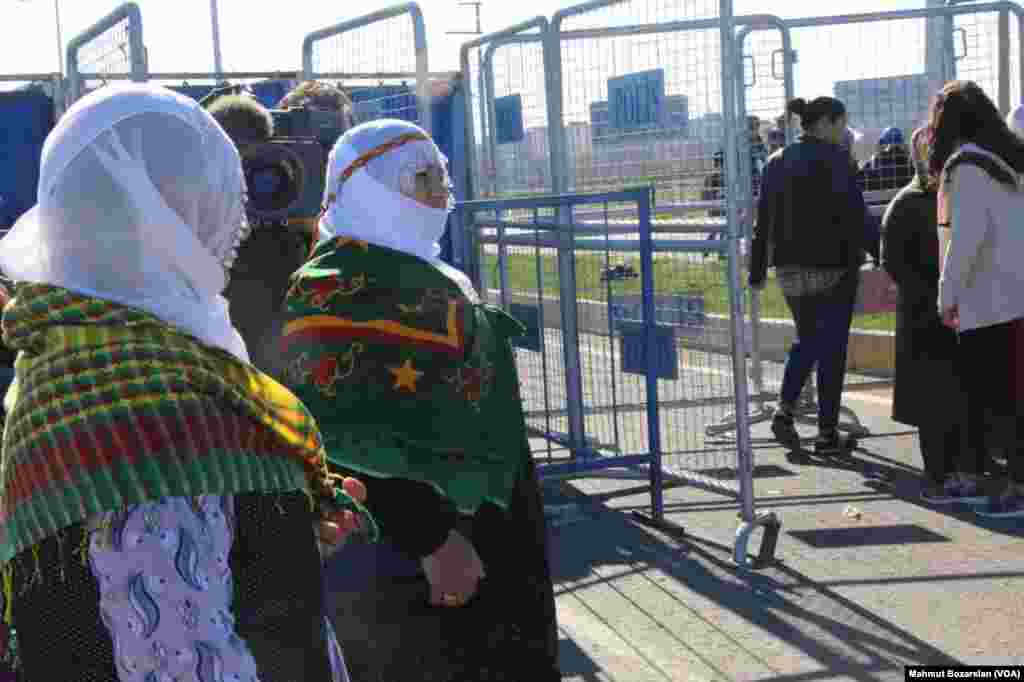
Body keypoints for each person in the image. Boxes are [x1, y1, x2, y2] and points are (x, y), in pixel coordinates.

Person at [0, 83, 368, 680]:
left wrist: (289, 539)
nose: (233, 221)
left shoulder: (69, 360)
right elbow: (173, 652)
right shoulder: (146, 401)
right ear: (161, 216)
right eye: (211, 195)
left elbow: (195, 564)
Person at [278, 118, 561, 680]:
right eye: (420, 178)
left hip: (493, 529)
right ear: (365, 186)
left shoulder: (431, 269)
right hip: (411, 559)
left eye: (441, 177)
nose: (439, 195)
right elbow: (335, 438)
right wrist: (431, 538)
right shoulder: (329, 289)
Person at [749, 96, 880, 456]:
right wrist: (881, 252)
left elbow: (763, 221)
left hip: (789, 271)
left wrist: (757, 270)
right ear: (824, 123)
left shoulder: (775, 162)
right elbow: (857, 214)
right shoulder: (838, 159)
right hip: (834, 267)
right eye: (841, 124)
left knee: (807, 339)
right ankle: (826, 434)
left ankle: (784, 410)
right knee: (832, 349)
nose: (843, 132)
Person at [927, 80, 1024, 516]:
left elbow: (965, 239)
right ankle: (1007, 483)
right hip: (1013, 296)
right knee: (1009, 397)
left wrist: (946, 294)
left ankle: (1012, 489)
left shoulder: (966, 167)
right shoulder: (1005, 162)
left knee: (995, 400)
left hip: (988, 300)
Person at [881, 127, 967, 501]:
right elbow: (893, 262)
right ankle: (938, 475)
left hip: (956, 310)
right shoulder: (908, 203)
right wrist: (932, 290)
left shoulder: (955, 196)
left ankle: (959, 469)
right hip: (924, 314)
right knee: (933, 399)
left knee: (957, 393)